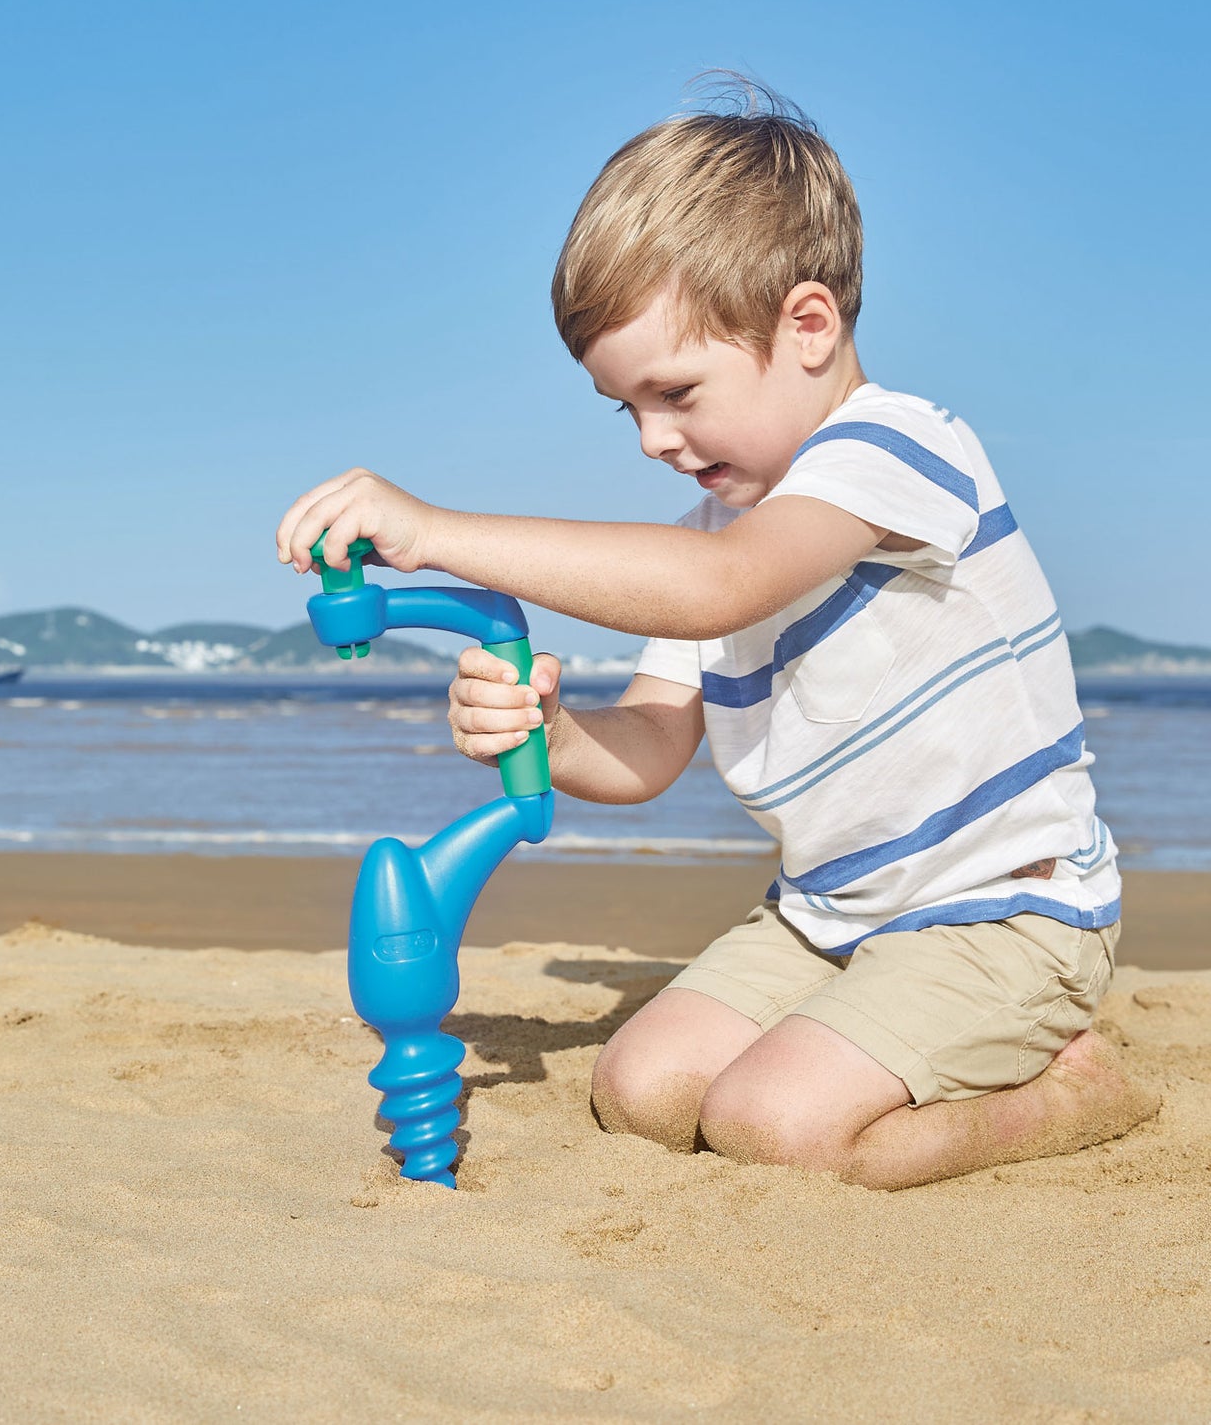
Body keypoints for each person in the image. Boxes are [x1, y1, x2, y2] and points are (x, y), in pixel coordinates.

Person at [275, 81, 1158, 1189]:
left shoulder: (895, 452)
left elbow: (716, 589)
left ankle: (1066, 1090)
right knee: (641, 1090)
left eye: (676, 391)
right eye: (626, 409)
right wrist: (547, 727)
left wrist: (438, 533)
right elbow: (648, 747)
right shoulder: (712, 536)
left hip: (1005, 914)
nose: (652, 438)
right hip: (827, 911)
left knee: (775, 1125)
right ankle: (860, 1034)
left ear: (805, 326)